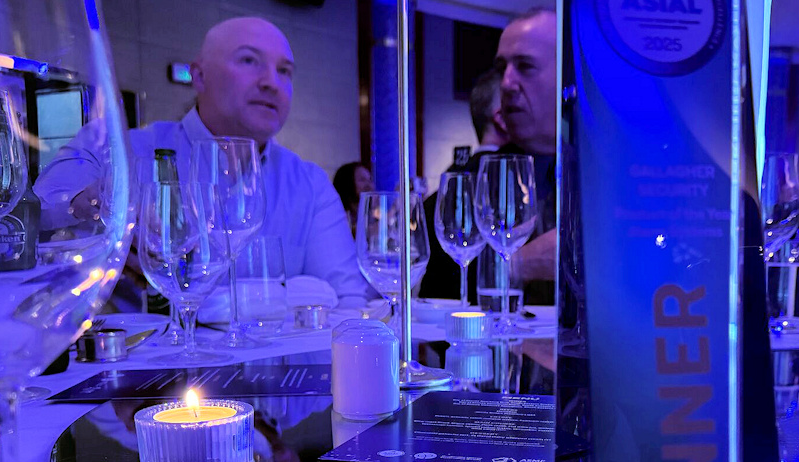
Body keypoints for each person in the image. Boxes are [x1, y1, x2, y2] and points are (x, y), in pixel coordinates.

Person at [34, 16, 370, 309]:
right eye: (249, 60)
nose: (271, 82)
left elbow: (348, 300)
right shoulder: (121, 150)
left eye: (284, 71)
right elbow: (36, 211)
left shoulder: (309, 183)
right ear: (199, 76)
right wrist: (102, 205)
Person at [419, 68, 507, 300]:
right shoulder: (509, 187)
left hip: (436, 312)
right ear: (501, 118)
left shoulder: (442, 191)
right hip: (480, 313)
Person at [491, 7, 558, 305]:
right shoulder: (475, 183)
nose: (506, 84)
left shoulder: (615, 177)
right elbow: (441, 294)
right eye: (501, 69)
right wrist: (520, 264)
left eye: (525, 66)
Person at [332, 161, 373, 234]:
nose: (369, 185)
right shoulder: (335, 216)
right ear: (346, 183)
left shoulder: (370, 214)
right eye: (362, 180)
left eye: (370, 180)